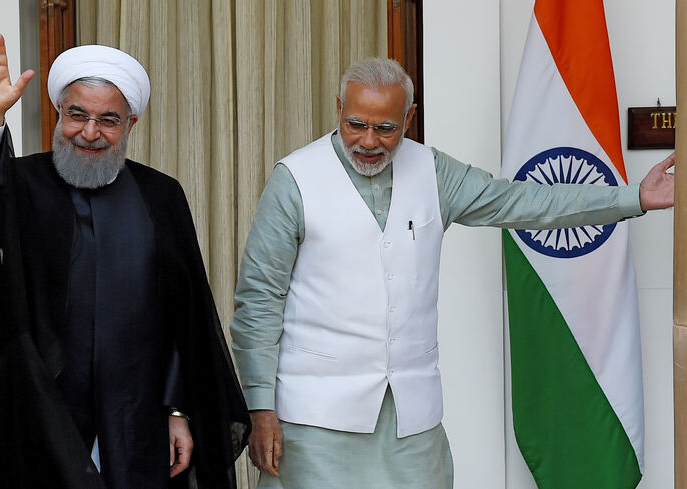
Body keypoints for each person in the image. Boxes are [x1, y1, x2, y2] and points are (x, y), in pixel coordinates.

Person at [230, 57, 675, 489]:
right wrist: (260, 408)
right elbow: (258, 302)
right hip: (313, 422)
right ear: (338, 109)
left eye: (385, 128)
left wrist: (633, 197)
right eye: (356, 124)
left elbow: (524, 203)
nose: (368, 141)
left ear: (409, 118)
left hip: (413, 428)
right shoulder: (295, 178)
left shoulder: (434, 170)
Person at [0, 33, 250, 489]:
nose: (90, 132)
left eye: (108, 120)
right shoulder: (23, 184)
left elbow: (183, 319)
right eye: (77, 115)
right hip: (49, 413)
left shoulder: (160, 196)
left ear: (132, 123)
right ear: (58, 113)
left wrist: (178, 409)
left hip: (140, 414)